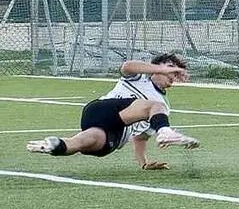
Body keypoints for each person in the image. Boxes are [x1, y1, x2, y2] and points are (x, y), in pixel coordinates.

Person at [26, 52, 201, 170]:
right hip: (101, 110)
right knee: (155, 106)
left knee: (80, 143)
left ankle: (52, 145)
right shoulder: (139, 78)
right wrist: (162, 68)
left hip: (113, 134)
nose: (172, 73)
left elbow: (140, 137)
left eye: (175, 71)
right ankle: (165, 133)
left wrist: (144, 163)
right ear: (156, 67)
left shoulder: (163, 108)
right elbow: (127, 66)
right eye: (170, 67)